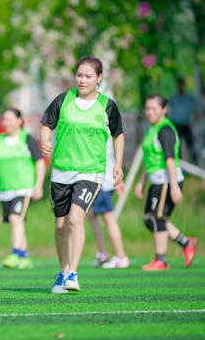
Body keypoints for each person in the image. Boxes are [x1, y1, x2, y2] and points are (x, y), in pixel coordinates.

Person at [40, 56, 124, 294]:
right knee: (60, 225)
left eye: (88, 76)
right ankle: (63, 271)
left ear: (99, 79)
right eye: (79, 75)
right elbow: (47, 123)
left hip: (91, 171)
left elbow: (119, 134)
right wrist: (45, 140)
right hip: (61, 171)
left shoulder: (108, 105)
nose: (82, 80)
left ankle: (73, 273)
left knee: (76, 219)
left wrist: (118, 164)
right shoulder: (63, 100)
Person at [135, 94, 197, 271]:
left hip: (166, 181)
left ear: (164, 110)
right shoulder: (151, 129)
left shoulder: (165, 130)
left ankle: (161, 260)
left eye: (154, 108)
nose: (150, 112)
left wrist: (174, 186)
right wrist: (141, 182)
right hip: (156, 181)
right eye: (147, 108)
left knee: (158, 218)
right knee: (149, 220)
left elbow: (170, 159)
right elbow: (149, 159)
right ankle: (186, 242)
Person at [0, 107, 45, 269]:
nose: (5, 122)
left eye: (9, 119)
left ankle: (15, 253)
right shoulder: (0, 141)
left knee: (16, 218)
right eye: (4, 119)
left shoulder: (26, 139)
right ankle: (24, 256)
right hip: (6, 190)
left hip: (23, 189)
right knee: (16, 222)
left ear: (19, 121)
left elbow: (40, 162)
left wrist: (38, 185)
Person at [87, 137, 129, 269]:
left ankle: (121, 257)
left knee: (108, 218)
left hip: (103, 180)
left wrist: (118, 179)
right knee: (90, 214)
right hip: (97, 179)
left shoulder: (102, 123)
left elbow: (106, 154)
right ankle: (102, 252)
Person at [168, 77, 199, 163]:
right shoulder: (173, 97)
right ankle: (179, 164)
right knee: (177, 146)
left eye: (182, 85)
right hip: (176, 125)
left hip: (186, 124)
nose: (180, 87)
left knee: (191, 145)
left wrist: (194, 122)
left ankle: (194, 163)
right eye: (179, 85)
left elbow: (197, 109)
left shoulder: (189, 97)